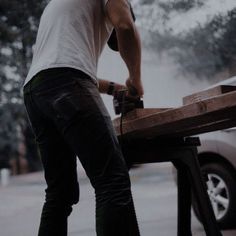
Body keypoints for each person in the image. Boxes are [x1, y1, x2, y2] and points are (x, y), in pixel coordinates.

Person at [23, 0, 143, 235]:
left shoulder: (62, 6)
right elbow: (126, 27)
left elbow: (55, 69)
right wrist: (135, 80)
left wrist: (112, 88)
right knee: (112, 181)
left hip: (35, 90)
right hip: (67, 82)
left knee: (60, 193)